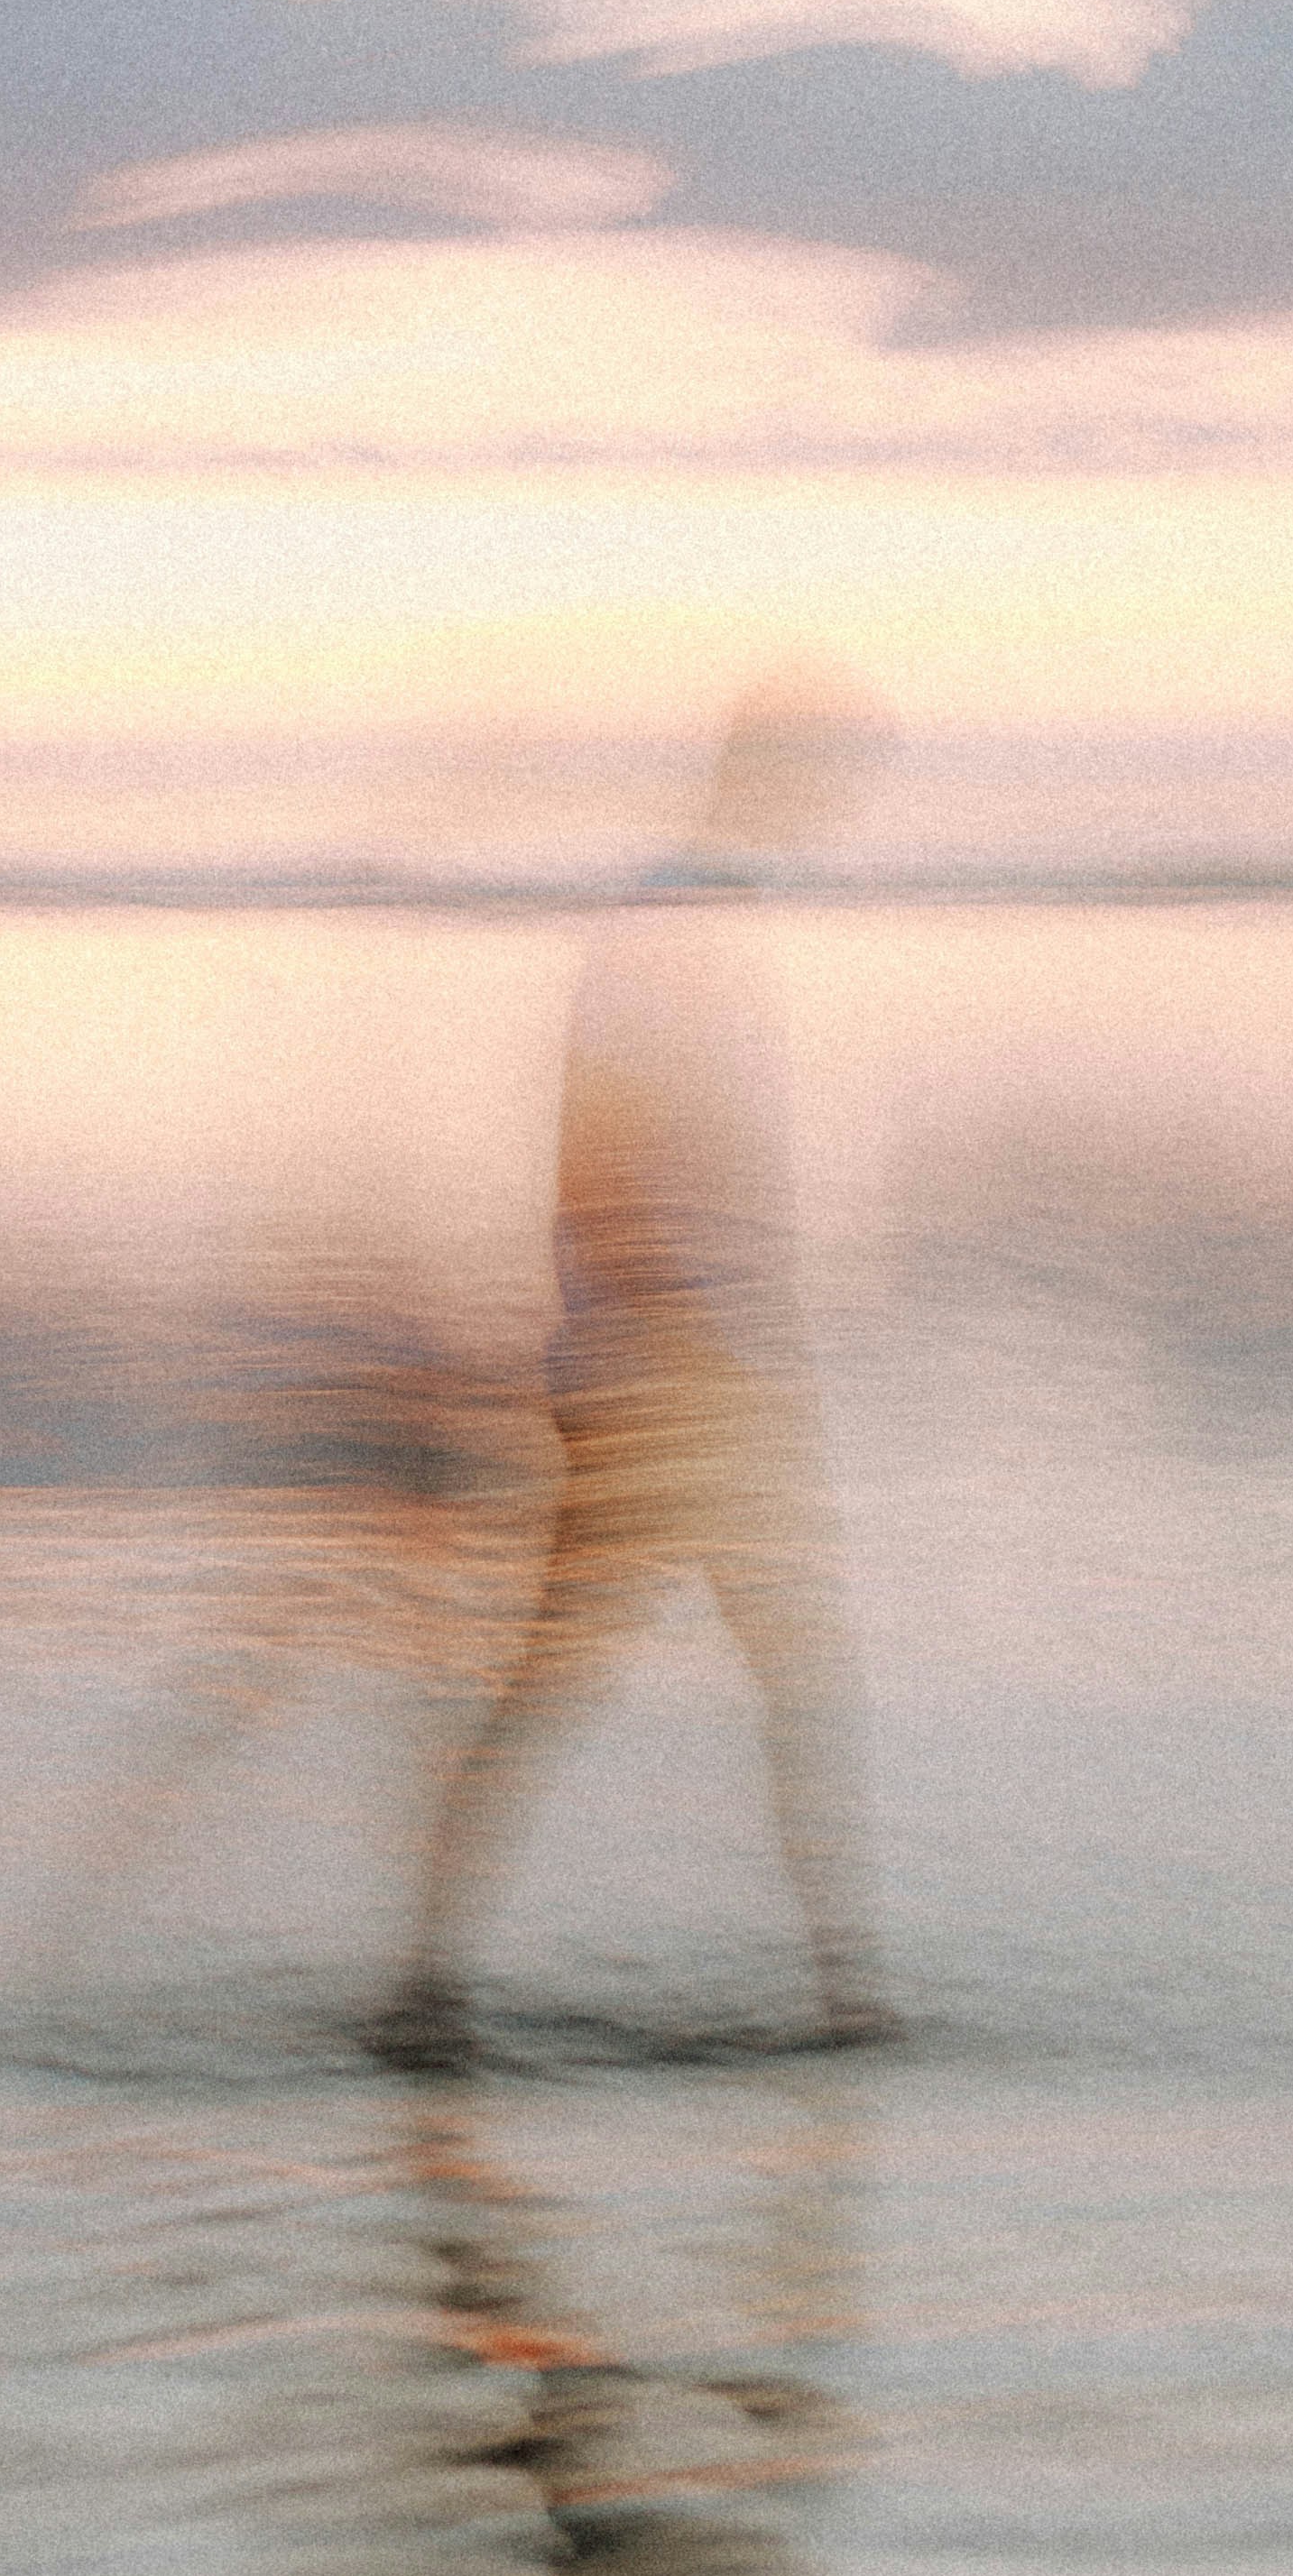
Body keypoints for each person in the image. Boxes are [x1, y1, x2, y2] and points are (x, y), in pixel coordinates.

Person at [369, 666, 898, 2074]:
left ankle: (840, 1989)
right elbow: (600, 1163)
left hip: (685, 1374)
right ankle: (840, 1996)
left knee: (729, 1678)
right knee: (624, 1679)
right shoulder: (670, 930)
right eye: (820, 774)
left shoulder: (698, 923)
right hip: (671, 1384)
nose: (832, 804)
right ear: (765, 772)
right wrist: (685, 1350)